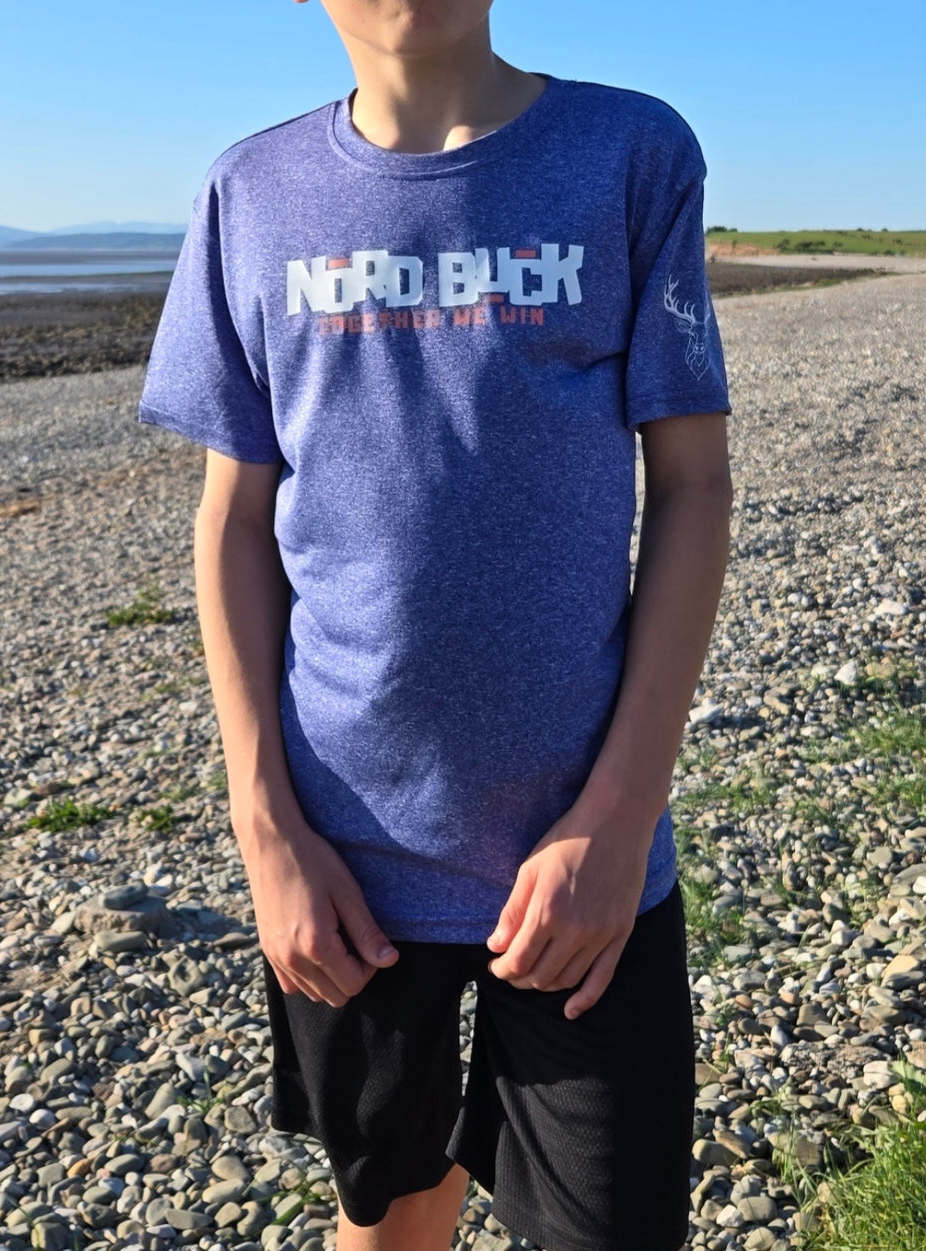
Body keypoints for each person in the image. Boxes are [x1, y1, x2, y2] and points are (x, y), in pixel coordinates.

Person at [137, 2, 733, 1248]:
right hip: (344, 863)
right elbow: (234, 520)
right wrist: (268, 833)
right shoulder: (250, 190)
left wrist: (617, 823)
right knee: (388, 1207)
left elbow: (689, 486)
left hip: (580, 857)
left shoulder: (629, 151)